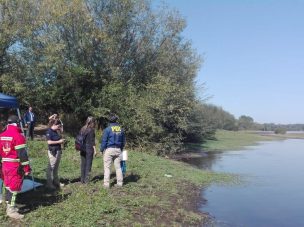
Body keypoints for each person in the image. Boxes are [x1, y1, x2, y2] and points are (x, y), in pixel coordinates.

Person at [0, 115, 31, 219]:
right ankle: (11, 210)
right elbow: (22, 155)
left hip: (5, 165)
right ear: (17, 123)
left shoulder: (2, 135)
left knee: (8, 186)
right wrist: (27, 168)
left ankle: (9, 205)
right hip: (15, 166)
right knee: (14, 188)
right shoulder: (18, 136)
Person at [100, 113, 125, 188]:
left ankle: (106, 184)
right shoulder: (121, 129)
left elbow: (104, 141)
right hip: (118, 149)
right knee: (118, 167)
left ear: (109, 120)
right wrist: (121, 148)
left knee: (107, 167)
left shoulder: (107, 129)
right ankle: (120, 183)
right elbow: (123, 141)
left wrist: (101, 150)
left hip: (109, 149)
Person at [46, 119, 65, 190]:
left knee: (56, 168)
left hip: (58, 151)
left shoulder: (56, 131)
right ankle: (49, 183)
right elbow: (49, 142)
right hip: (53, 152)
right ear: (54, 125)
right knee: (51, 167)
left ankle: (56, 181)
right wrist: (59, 141)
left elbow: (61, 133)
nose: (59, 127)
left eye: (60, 126)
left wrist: (61, 141)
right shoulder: (49, 131)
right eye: (58, 126)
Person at [79, 116, 96, 184]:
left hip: (82, 148)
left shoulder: (82, 128)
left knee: (83, 164)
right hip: (89, 149)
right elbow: (92, 141)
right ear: (92, 122)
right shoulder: (91, 130)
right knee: (88, 164)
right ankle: (87, 180)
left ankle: (82, 179)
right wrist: (95, 150)